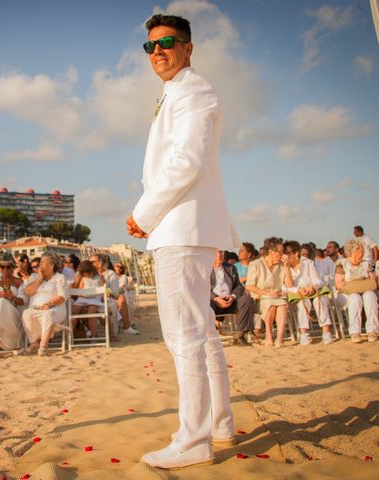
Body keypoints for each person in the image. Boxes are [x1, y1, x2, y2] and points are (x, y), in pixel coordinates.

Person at [126, 14, 239, 469]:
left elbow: (187, 160)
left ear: (188, 47)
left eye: (168, 42)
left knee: (184, 334)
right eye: (150, 46)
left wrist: (144, 212)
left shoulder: (194, 89)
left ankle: (192, 440)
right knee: (203, 333)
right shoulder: (175, 92)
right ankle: (220, 423)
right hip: (183, 226)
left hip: (179, 225)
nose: (158, 51)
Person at [283, 241, 334, 345]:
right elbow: (286, 286)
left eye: (288, 253)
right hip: (298, 293)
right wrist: (298, 289)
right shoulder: (283, 266)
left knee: (320, 300)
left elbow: (318, 281)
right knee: (303, 303)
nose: (286, 256)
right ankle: (304, 334)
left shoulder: (307, 263)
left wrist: (312, 287)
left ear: (296, 253)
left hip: (313, 290)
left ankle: (326, 332)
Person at [19, 253, 69, 356]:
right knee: (26, 313)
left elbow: (62, 296)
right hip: (36, 309)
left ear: (51, 266)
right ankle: (34, 344)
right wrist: (39, 279)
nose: (39, 266)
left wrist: (49, 304)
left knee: (48, 314)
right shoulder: (35, 277)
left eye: (42, 263)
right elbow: (28, 292)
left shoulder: (59, 277)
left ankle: (43, 347)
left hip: (55, 308)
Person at [245, 237, 291, 347]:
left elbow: (289, 284)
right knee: (270, 304)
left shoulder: (281, 265)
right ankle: (269, 336)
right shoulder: (256, 264)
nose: (282, 254)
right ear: (271, 252)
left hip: (277, 296)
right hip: (260, 297)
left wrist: (287, 267)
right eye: (280, 252)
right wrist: (267, 293)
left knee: (282, 304)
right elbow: (249, 286)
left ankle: (279, 338)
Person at [335, 238, 378, 343]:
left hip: (365, 291)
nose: (361, 255)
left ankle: (372, 330)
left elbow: (373, 282)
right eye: (359, 253)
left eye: (362, 253)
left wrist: (357, 284)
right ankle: (355, 332)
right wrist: (356, 286)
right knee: (355, 297)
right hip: (346, 293)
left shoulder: (366, 264)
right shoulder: (342, 264)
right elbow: (339, 285)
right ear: (351, 253)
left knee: (370, 295)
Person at [210, 250, 254, 346]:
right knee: (204, 302)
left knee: (246, 299)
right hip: (213, 301)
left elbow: (238, 286)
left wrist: (233, 296)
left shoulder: (230, 267)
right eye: (216, 253)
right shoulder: (204, 268)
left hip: (229, 299)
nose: (219, 255)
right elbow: (201, 288)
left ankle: (239, 336)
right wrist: (215, 298)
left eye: (221, 252)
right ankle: (210, 336)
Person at [71, 260, 105, 338]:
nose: (86, 275)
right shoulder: (83, 278)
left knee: (91, 313)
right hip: (83, 298)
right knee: (73, 312)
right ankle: (69, 336)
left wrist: (101, 296)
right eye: (84, 274)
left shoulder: (99, 277)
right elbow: (80, 290)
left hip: (95, 299)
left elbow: (103, 290)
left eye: (87, 273)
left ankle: (94, 335)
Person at [114, 262, 138, 334]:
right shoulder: (111, 276)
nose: (119, 268)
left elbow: (122, 286)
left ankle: (125, 324)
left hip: (122, 293)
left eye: (121, 267)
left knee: (123, 299)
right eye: (117, 266)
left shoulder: (123, 276)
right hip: (114, 294)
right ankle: (123, 324)